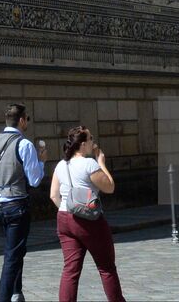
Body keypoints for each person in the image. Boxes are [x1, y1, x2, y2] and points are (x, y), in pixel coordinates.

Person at [0, 103, 47, 302]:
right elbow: (34, 180)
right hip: (16, 204)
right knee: (12, 257)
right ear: (22, 120)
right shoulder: (23, 144)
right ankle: (6, 297)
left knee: (15, 250)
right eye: (28, 119)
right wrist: (42, 161)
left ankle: (17, 292)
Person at [50, 126, 125, 302]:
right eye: (91, 139)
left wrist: (69, 209)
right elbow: (110, 187)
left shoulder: (61, 165)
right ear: (83, 144)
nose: (93, 142)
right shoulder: (89, 164)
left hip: (64, 218)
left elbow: (53, 195)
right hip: (89, 221)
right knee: (106, 268)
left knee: (70, 270)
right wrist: (101, 163)